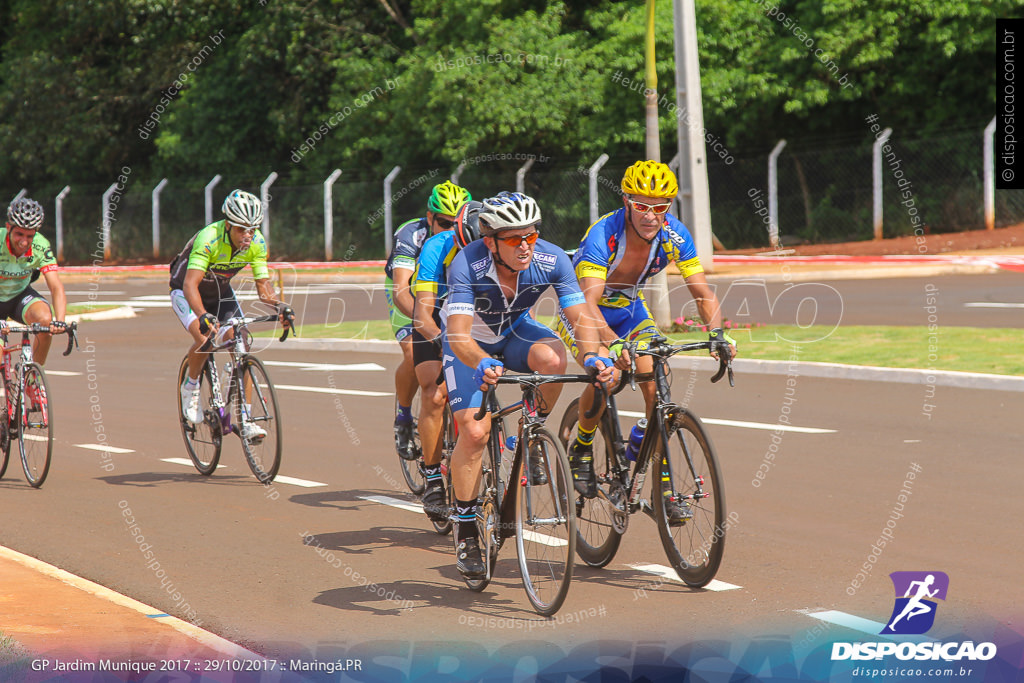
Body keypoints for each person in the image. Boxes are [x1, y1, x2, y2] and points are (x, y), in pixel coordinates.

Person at [442, 191, 613, 579]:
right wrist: (480, 360)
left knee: (554, 359)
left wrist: (592, 355)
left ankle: (529, 433)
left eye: (531, 236)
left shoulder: (553, 258)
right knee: (474, 430)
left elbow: (578, 316)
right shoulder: (467, 264)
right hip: (471, 343)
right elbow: (458, 335)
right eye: (515, 239)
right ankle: (466, 530)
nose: (525, 246)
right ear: (491, 241)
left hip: (515, 331)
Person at [556, 160, 736, 523]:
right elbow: (588, 303)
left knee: (658, 375)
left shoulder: (674, 233)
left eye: (660, 207)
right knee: (605, 371)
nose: (651, 215)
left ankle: (663, 485)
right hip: (585, 312)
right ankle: (583, 447)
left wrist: (717, 333)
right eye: (642, 205)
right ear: (626, 201)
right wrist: (612, 345)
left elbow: (701, 291)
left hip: (630, 310)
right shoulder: (604, 234)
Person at [170, 190, 293, 439]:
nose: (247, 236)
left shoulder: (256, 243)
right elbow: (190, 285)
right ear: (227, 225)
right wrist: (202, 315)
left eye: (252, 229)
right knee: (205, 339)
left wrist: (280, 306)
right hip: (186, 292)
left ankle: (245, 419)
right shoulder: (209, 238)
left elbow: (263, 288)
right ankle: (190, 387)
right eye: (241, 230)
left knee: (242, 344)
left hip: (221, 293)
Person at [384, 181, 471, 459]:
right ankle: (404, 417)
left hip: (445, 293)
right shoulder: (412, 234)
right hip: (408, 294)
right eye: (444, 223)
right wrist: (425, 324)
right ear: (430, 217)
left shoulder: (469, 233)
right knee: (413, 352)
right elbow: (401, 290)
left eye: (456, 223)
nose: (451, 230)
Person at [409, 200, 482, 523]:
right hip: (438, 316)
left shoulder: (497, 248)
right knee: (434, 392)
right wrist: (441, 340)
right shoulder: (436, 247)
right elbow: (421, 314)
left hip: (475, 316)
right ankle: (433, 477)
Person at [0, 198, 69, 407]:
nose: (24, 241)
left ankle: (31, 379)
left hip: (19, 296)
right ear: (8, 227)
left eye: (29, 236)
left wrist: (61, 321)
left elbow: (56, 286)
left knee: (44, 321)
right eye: (19, 234)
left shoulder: (40, 245)